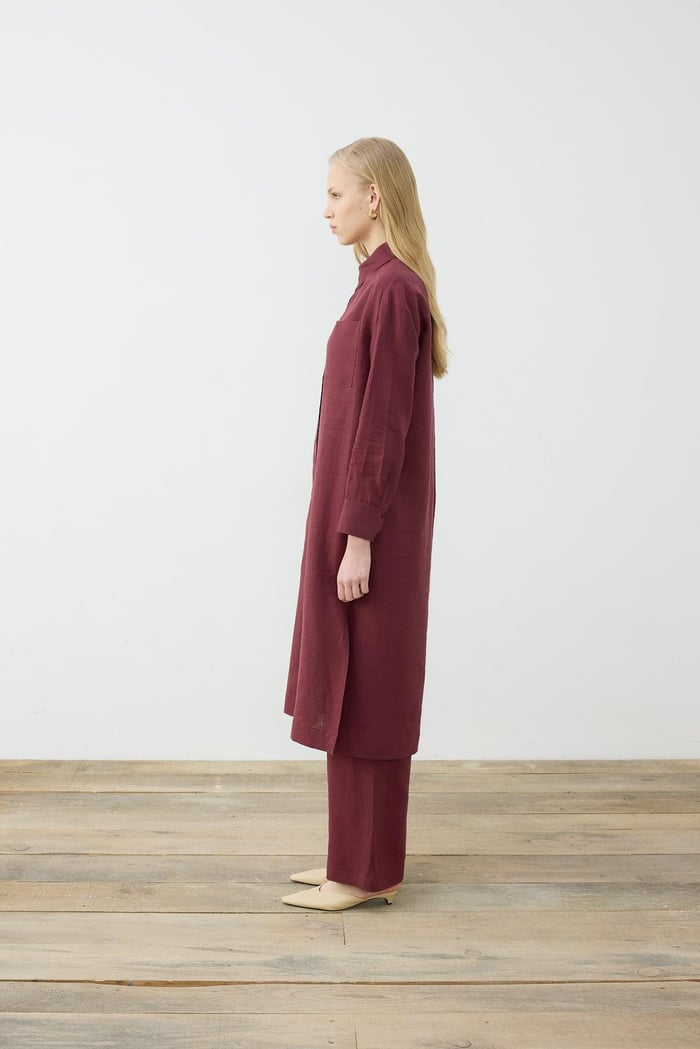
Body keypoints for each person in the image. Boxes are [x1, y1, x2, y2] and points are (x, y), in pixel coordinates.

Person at [282, 137, 449, 911]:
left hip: (371, 533)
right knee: (354, 688)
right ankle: (355, 860)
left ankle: (362, 872)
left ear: (373, 196)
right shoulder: (377, 285)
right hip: (357, 522)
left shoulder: (393, 291)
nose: (326, 209)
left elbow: (384, 428)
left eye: (336, 193)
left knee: (369, 692)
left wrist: (358, 538)